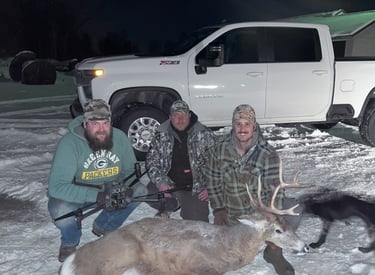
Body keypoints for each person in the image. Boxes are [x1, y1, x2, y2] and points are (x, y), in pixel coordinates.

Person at [47, 99, 145, 262]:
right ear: (85, 124)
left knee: (140, 190)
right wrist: (97, 196)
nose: (101, 129)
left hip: (112, 189)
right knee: (60, 209)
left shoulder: (119, 137)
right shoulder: (69, 144)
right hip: (81, 193)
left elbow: (131, 171)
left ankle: (105, 226)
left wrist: (128, 188)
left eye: (105, 123)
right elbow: (56, 187)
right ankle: (70, 241)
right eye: (95, 124)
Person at [205, 104, 296, 275]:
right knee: (228, 254)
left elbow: (275, 189)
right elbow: (213, 181)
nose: (242, 128)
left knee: (281, 226)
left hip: (259, 215)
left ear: (254, 126)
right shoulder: (219, 149)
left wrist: (272, 217)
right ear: (233, 125)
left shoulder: (268, 153)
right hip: (232, 214)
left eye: (247, 124)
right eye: (238, 124)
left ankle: (274, 253)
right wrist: (218, 210)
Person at [146, 100, 215, 222]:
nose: (180, 119)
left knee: (198, 226)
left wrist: (211, 187)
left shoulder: (205, 134)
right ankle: (171, 204)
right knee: (148, 191)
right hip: (170, 184)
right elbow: (152, 162)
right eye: (176, 116)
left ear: (189, 115)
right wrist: (161, 183)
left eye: (183, 115)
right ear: (170, 117)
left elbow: (218, 164)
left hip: (195, 188)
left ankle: (182, 203)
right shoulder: (161, 134)